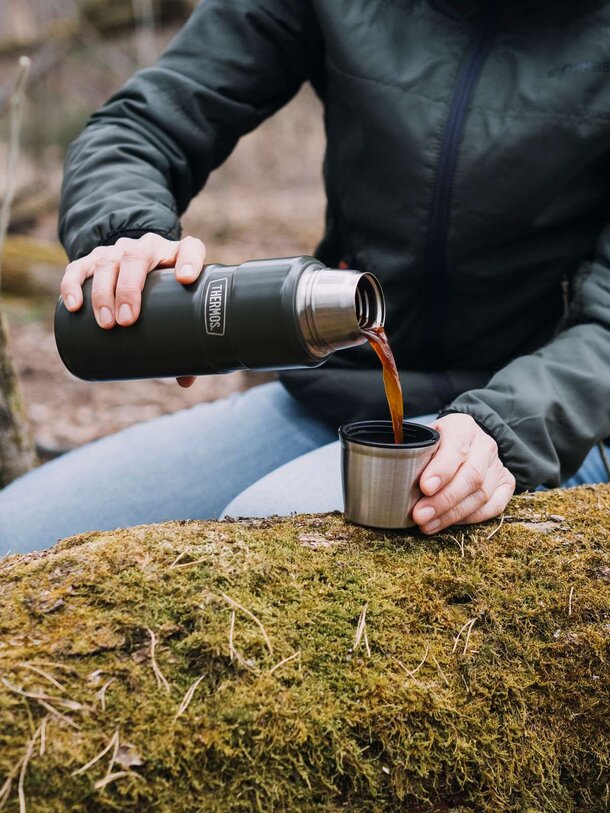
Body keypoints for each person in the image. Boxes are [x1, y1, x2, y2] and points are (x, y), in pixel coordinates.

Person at [1, 0, 609, 554]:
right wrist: (128, 235)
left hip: (545, 424)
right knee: (15, 535)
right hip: (336, 391)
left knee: (263, 545)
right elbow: (142, 125)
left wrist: (506, 428)